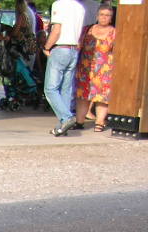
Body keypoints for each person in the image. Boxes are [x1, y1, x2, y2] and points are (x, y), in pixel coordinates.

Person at [43, 0, 85, 136]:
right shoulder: (80, 8)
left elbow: (56, 30)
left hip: (60, 48)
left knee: (50, 89)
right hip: (73, 49)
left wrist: (46, 47)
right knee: (66, 89)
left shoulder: (59, 5)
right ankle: (63, 125)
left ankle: (66, 118)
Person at [73, 4, 115, 132]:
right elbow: (78, 46)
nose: (104, 17)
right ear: (97, 16)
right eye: (101, 14)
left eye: (107, 15)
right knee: (83, 96)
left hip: (105, 70)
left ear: (111, 18)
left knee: (102, 98)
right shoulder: (87, 30)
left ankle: (100, 122)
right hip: (86, 69)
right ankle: (79, 122)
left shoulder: (114, 32)